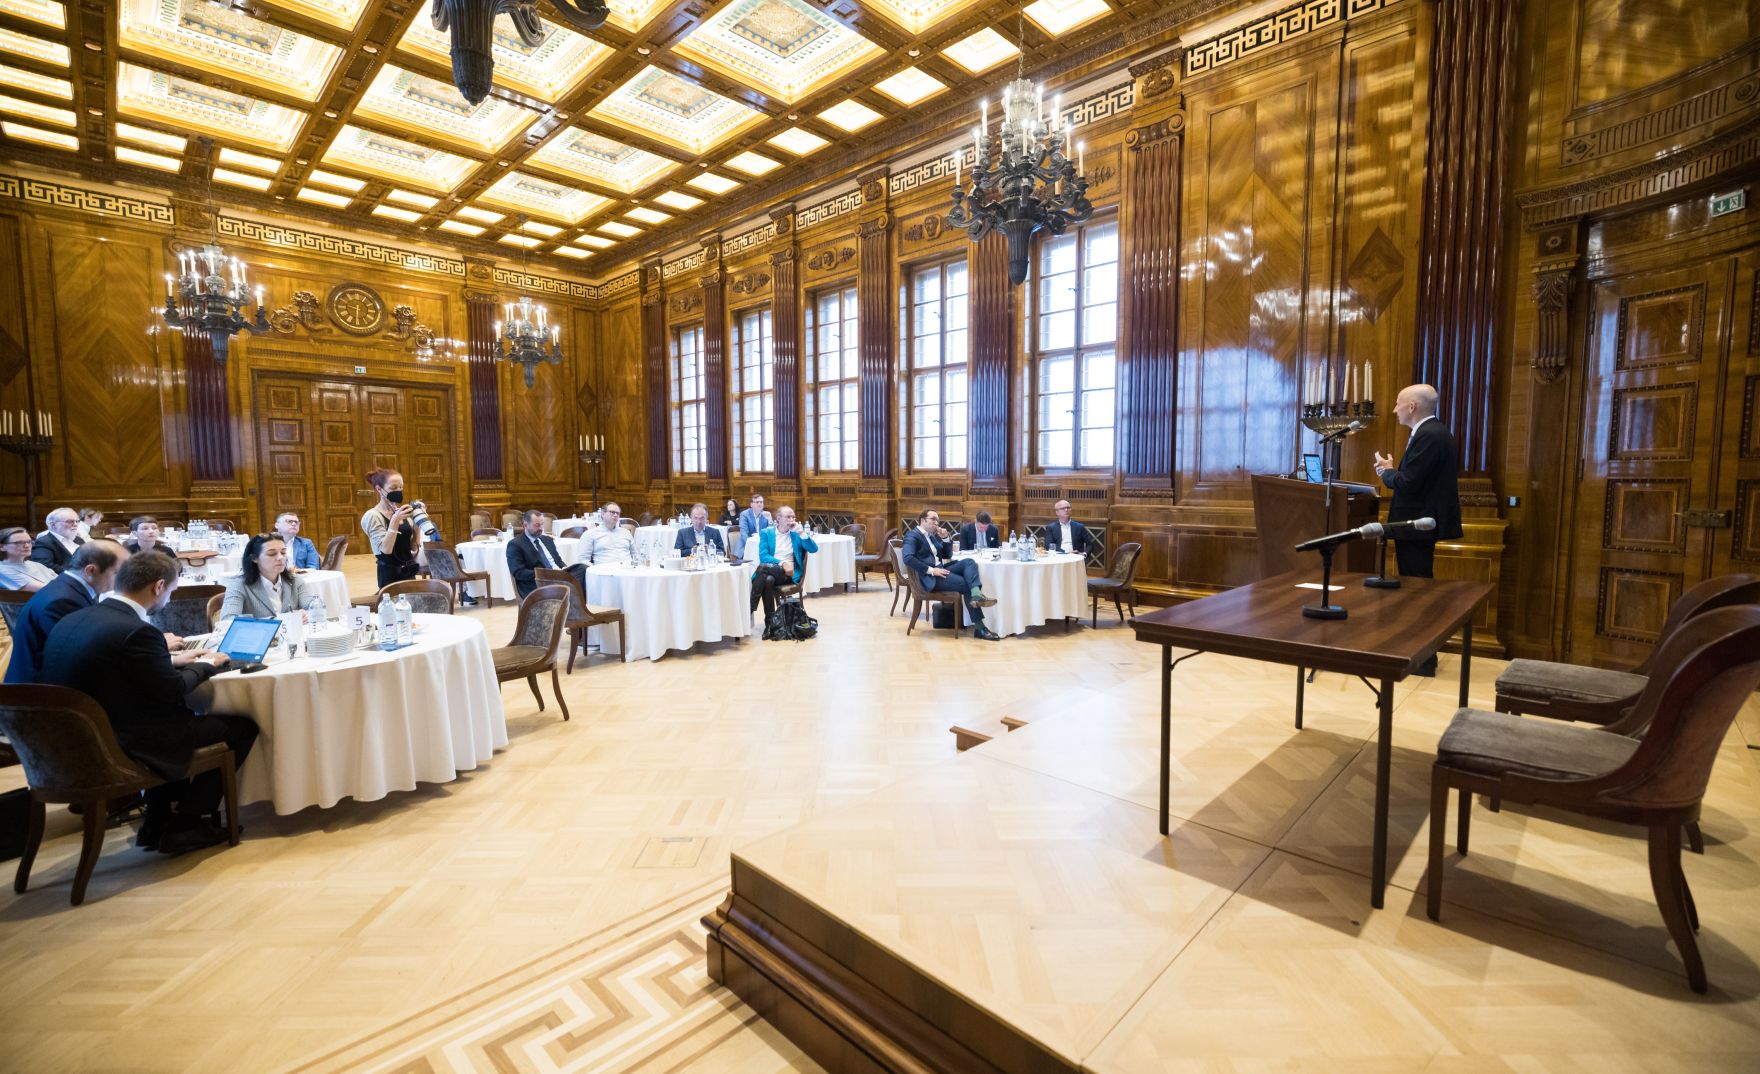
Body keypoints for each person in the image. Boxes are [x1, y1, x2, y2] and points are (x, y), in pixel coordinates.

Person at [39, 552, 254, 855]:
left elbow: (114, 667)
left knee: (173, 718)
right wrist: (208, 663)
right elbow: (172, 689)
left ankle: (157, 819)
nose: (169, 596)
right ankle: (187, 824)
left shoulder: (78, 618)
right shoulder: (138, 630)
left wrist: (170, 659)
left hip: (77, 738)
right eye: (171, 590)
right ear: (158, 587)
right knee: (240, 728)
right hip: (122, 743)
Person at [1373, 383, 1464, 674]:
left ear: (1412, 406)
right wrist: (1394, 470)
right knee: (1417, 587)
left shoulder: (1429, 435)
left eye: (1398, 403)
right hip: (1417, 525)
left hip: (1417, 525)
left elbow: (1409, 483)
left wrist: (1387, 474)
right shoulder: (1431, 433)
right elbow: (1415, 477)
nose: (1394, 409)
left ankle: (1424, 659)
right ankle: (1420, 654)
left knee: (1418, 590)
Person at [4, 538, 128, 684]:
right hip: (42, 692)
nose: (123, 579)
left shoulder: (69, 587)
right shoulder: (62, 601)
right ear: (91, 570)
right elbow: (78, 655)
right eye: (117, 572)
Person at [901, 509, 1000, 641]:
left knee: (970, 562)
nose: (936, 522)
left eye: (937, 520)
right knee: (967, 585)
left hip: (941, 570)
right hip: (931, 577)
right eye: (933, 519)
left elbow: (947, 555)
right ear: (923, 520)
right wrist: (931, 570)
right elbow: (907, 558)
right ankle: (980, 628)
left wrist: (945, 538)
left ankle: (976, 594)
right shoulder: (912, 535)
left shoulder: (931, 535)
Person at [218, 533, 313, 620]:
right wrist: (275, 621)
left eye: (283, 552)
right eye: (272, 554)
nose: (280, 558)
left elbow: (315, 607)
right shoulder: (239, 585)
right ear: (254, 558)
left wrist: (307, 614)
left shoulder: (295, 580)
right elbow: (228, 619)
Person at [751, 506, 817, 626]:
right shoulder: (766, 533)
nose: (791, 519)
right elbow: (764, 557)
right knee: (768, 580)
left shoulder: (796, 534)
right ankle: (770, 623)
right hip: (773, 571)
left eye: (793, 517)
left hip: (789, 574)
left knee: (762, 568)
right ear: (778, 519)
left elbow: (813, 549)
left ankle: (750, 607)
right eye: (788, 517)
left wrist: (801, 532)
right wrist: (782, 563)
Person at [360, 467, 424, 589]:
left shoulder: (401, 512)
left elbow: (414, 547)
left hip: (408, 570)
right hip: (389, 574)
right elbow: (386, 550)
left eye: (401, 487)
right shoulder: (372, 516)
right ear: (379, 489)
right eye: (393, 488)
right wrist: (395, 521)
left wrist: (417, 521)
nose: (399, 491)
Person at [507, 509, 575, 597]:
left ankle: (577, 608)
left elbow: (558, 561)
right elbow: (519, 572)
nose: (540, 528)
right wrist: (546, 574)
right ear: (525, 525)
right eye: (537, 525)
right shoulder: (515, 544)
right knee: (572, 585)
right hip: (538, 582)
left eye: (542, 524)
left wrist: (564, 569)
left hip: (558, 576)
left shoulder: (548, 540)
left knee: (581, 569)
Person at [0, 526, 57, 592]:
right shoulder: (2, 570)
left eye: (29, 542)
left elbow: (65, 583)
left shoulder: (37, 565)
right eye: (19, 543)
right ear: (2, 547)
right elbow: (49, 590)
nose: (27, 546)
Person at [576, 502, 633, 566]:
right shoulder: (590, 534)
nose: (615, 515)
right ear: (603, 514)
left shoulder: (626, 533)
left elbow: (635, 554)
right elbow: (583, 560)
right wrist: (595, 569)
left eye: (618, 513)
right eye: (612, 512)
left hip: (629, 570)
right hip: (605, 572)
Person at [30, 507, 84, 574]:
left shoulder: (79, 540)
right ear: (53, 525)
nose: (75, 524)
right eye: (70, 521)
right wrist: (77, 573)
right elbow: (44, 566)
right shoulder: (44, 542)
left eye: (77, 521)